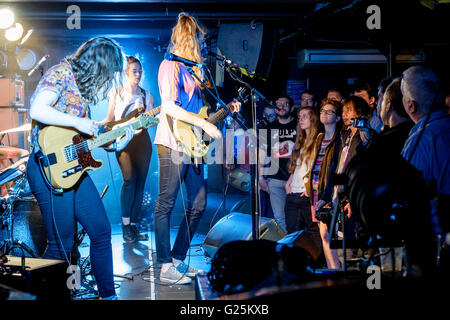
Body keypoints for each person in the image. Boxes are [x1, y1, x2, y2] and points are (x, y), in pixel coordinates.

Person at [27, 37, 125, 300]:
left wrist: (111, 142)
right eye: (109, 73)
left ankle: (109, 296)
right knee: (61, 246)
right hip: (47, 169)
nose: (108, 81)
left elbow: (75, 141)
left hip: (73, 169)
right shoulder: (61, 73)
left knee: (102, 231)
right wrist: (80, 123)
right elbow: (37, 109)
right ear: (99, 65)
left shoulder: (82, 90)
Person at [154, 12, 240, 285]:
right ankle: (165, 267)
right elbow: (168, 106)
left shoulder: (194, 70)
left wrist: (218, 117)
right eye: (200, 40)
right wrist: (206, 125)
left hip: (192, 145)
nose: (203, 46)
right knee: (165, 203)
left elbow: (199, 112)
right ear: (189, 38)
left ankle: (178, 260)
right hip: (171, 141)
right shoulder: (170, 66)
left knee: (199, 204)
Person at [100, 56, 155, 242]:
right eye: (134, 71)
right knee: (129, 180)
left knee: (140, 184)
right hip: (123, 141)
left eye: (140, 71)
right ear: (126, 73)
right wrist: (98, 129)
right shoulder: (116, 93)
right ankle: (125, 226)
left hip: (142, 141)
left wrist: (151, 120)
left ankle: (133, 226)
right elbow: (109, 119)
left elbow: (152, 123)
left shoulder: (147, 96)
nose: (138, 74)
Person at [400, 66, 450, 237]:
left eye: (403, 96)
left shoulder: (421, 140)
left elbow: (409, 196)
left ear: (411, 106)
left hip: (436, 242)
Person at [305, 99, 342, 269]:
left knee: (328, 233)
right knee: (323, 233)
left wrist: (327, 195)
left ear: (338, 117)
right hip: (315, 190)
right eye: (322, 111)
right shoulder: (320, 137)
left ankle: (335, 270)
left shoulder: (339, 139)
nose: (325, 114)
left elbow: (335, 169)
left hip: (328, 192)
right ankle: (331, 269)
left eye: (329, 111)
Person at [258, 95, 297, 233]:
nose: (280, 106)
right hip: (275, 180)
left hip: (296, 180)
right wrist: (261, 177)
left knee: (296, 219)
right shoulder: (268, 128)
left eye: (285, 104)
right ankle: (286, 249)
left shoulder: (300, 125)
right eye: (278, 103)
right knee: (280, 218)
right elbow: (261, 153)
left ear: (292, 108)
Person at [284, 107, 320, 241]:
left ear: (313, 118)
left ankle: (318, 262)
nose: (301, 119)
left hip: (307, 196)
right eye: (299, 116)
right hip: (293, 195)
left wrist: (309, 188)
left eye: (305, 116)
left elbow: (318, 168)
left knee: (314, 234)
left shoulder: (318, 140)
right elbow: (297, 167)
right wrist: (288, 183)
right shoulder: (300, 141)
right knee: (292, 236)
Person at [372, 77, 414, 154]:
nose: (377, 102)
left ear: (388, 104)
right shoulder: (415, 134)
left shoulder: (383, 143)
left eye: (380, 97)